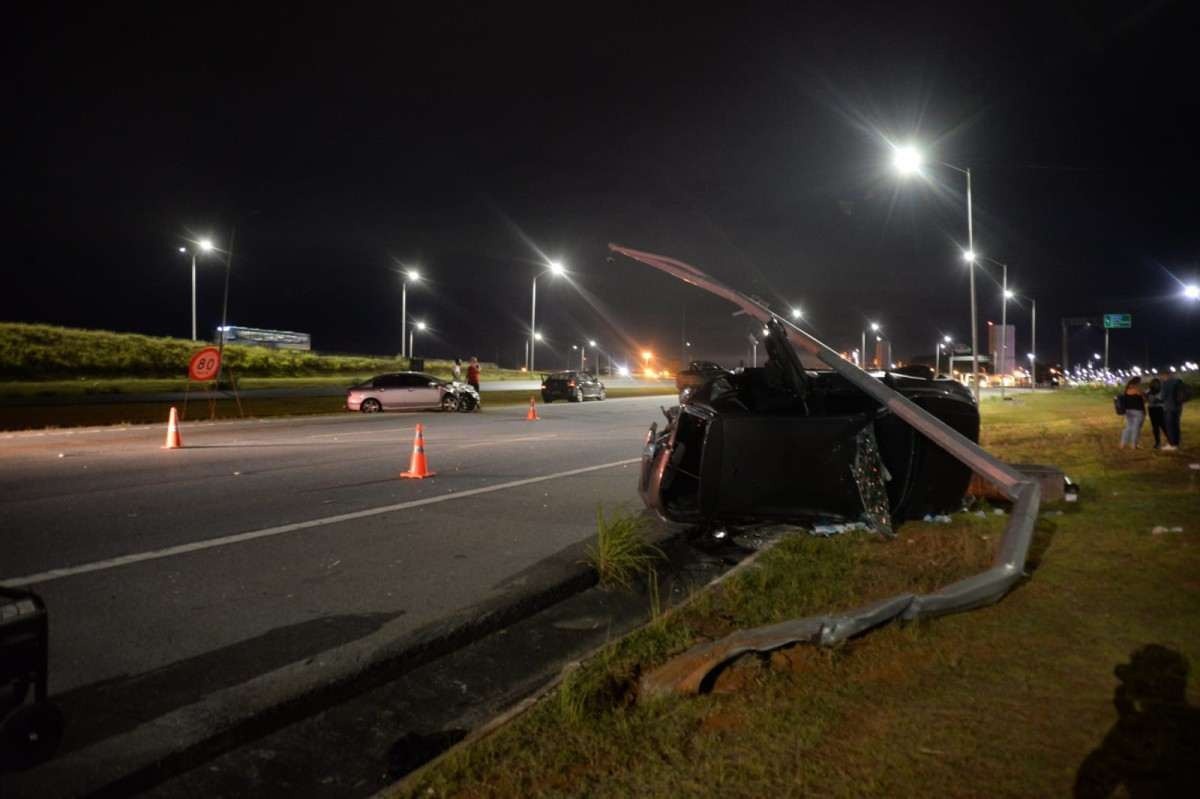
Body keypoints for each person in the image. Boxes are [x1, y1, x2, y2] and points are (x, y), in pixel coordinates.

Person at [1160, 371, 1185, 450]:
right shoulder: (1178, 381)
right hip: (1178, 407)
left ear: (1164, 376)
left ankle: (1172, 444)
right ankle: (1176, 443)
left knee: (1170, 426)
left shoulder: (1166, 383)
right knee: (1176, 425)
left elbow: (1162, 397)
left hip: (1169, 407)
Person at [1118, 376, 1145, 449]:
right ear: (1137, 382)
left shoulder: (1126, 390)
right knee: (1136, 428)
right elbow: (1144, 398)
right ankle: (1134, 444)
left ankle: (1122, 443)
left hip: (1128, 411)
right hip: (1138, 411)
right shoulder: (1137, 390)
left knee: (1128, 427)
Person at [1147, 377, 1166, 449]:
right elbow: (1146, 399)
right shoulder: (1149, 391)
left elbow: (1163, 400)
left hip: (1157, 409)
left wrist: (1156, 400)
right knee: (1157, 426)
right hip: (1154, 409)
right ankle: (1158, 443)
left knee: (1161, 426)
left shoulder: (1161, 391)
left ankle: (1160, 443)